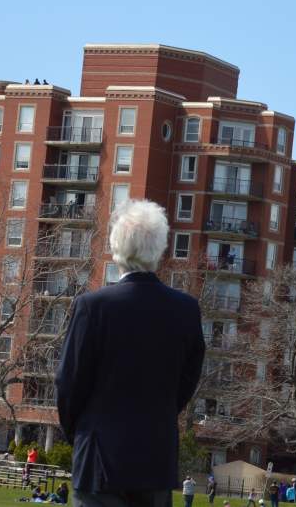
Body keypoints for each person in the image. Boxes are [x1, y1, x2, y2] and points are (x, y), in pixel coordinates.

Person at [56, 199, 206, 507]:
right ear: (161, 249)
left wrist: (81, 433)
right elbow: (187, 382)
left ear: (115, 249)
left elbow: (69, 383)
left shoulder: (92, 307)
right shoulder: (186, 311)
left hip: (98, 456)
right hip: (155, 456)